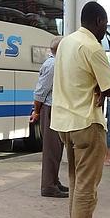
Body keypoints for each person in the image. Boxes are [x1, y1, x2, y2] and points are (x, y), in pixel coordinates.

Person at [51, 1, 110, 218]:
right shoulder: (92, 47)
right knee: (87, 185)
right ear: (99, 21)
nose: (104, 31)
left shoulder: (66, 42)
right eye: (105, 25)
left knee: (75, 178)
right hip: (86, 123)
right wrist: (105, 86)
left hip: (63, 123)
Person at [30, 36, 67, 198]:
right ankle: (48, 186)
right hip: (50, 109)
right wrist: (36, 111)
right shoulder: (52, 65)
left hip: (55, 108)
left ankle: (54, 181)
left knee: (57, 148)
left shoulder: (57, 64)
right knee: (51, 149)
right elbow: (40, 92)